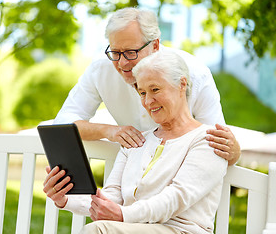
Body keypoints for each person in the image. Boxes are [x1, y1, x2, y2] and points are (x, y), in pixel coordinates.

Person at [44, 50, 228, 234]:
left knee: (97, 230)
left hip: (181, 230)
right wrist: (65, 198)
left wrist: (123, 215)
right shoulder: (138, 140)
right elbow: (112, 196)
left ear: (181, 84)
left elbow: (176, 197)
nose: (148, 101)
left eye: (155, 89)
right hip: (132, 228)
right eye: (142, 93)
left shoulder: (209, 140)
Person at [53, 7, 240, 165]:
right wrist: (109, 131)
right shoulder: (100, 70)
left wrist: (234, 151)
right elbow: (61, 125)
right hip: (132, 183)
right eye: (116, 52)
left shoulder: (195, 73)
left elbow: (221, 143)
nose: (122, 63)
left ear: (155, 45)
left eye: (131, 52)